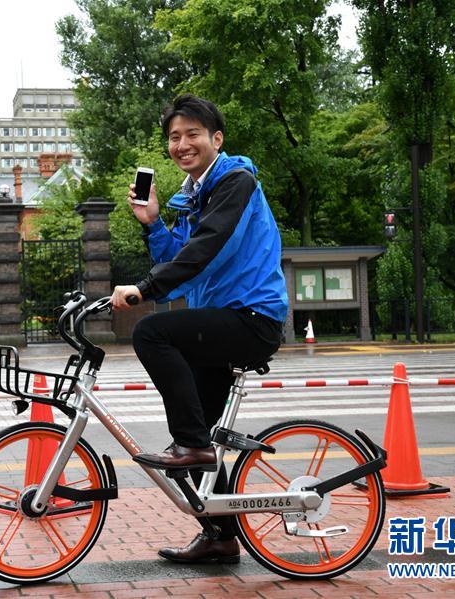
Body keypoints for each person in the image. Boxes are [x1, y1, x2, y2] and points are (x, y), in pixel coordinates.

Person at [110, 94, 289, 565]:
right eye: (174, 137)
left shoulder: (236, 182)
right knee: (188, 443)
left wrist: (143, 291)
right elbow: (179, 260)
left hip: (252, 316)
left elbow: (205, 249)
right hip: (221, 319)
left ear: (216, 139)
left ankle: (194, 447)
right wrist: (152, 224)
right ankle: (220, 536)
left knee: (152, 334)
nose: (182, 144)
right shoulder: (193, 195)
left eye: (192, 134)